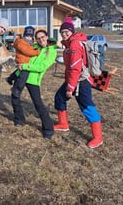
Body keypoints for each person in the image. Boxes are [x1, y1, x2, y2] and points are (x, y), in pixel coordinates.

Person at [54, 17, 103, 148]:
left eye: (66, 31)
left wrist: (70, 88)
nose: (64, 34)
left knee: (87, 107)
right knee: (59, 97)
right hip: (73, 79)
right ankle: (63, 124)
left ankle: (98, 137)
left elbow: (76, 67)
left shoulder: (75, 44)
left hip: (81, 81)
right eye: (62, 32)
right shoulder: (69, 44)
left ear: (72, 31)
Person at [11, 30, 57, 139]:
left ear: (47, 36)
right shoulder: (35, 46)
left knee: (38, 104)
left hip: (32, 79)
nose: (41, 40)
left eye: (43, 37)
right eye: (38, 38)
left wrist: (25, 67)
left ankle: (48, 129)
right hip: (21, 75)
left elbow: (42, 67)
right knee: (14, 97)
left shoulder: (51, 51)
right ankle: (19, 119)